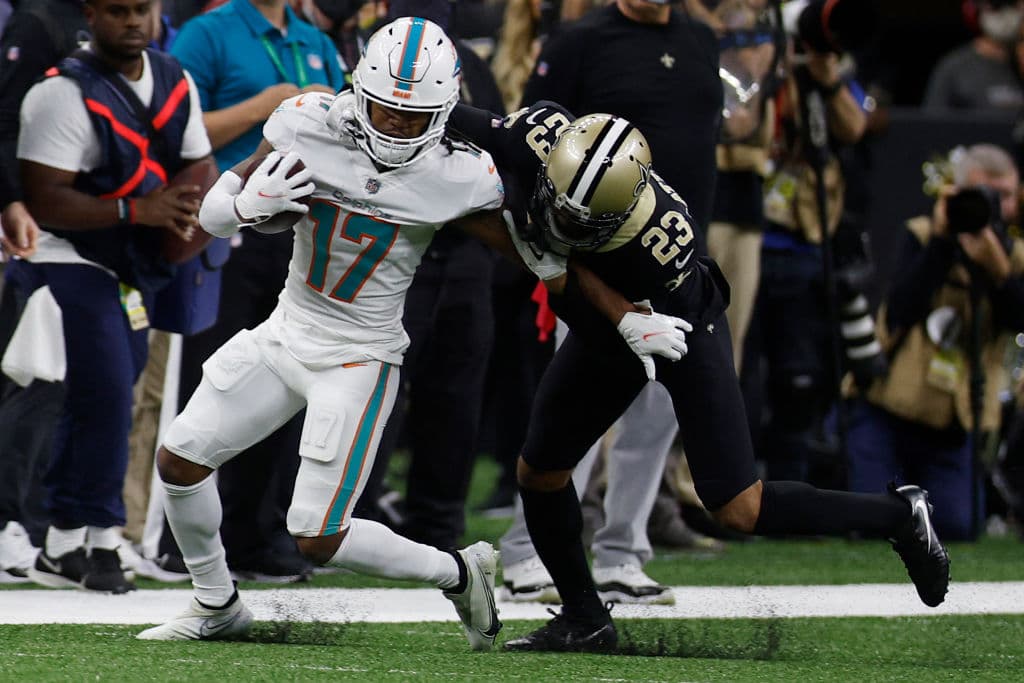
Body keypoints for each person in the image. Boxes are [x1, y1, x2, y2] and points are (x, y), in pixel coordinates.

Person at [452, 100, 951, 652]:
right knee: (540, 471)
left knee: (740, 504)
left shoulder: (659, 241)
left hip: (673, 327)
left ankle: (900, 514)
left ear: (620, 217)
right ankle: (584, 616)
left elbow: (580, 288)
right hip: (608, 330)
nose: (562, 223)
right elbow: (452, 115)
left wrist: (528, 246)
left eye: (582, 223)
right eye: (560, 207)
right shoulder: (536, 138)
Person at [136, 17, 510, 644]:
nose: (395, 124)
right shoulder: (308, 121)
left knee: (317, 535)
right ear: (359, 90)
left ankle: (459, 571)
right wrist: (248, 209)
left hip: (360, 356)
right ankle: (216, 604)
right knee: (179, 462)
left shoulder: (462, 174)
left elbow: (536, 254)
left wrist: (627, 309)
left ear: (445, 111)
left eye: (413, 116)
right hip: (287, 329)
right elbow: (213, 214)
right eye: (386, 108)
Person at [497, 0, 725, 603]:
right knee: (573, 413)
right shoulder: (579, 39)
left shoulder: (702, 38)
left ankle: (622, 553)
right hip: (599, 263)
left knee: (657, 413)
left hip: (674, 261)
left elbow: (705, 141)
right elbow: (533, 141)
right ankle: (526, 551)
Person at [13, 0, 212, 593]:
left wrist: (183, 208)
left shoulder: (174, 77)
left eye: (142, 10)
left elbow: (199, 161)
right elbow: (45, 197)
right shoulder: (59, 92)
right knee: (105, 393)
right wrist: (139, 208)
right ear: (92, 15)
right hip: (65, 254)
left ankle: (62, 537)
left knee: (111, 386)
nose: (133, 22)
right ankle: (103, 536)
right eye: (119, 11)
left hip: (133, 262)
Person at [166, 0, 347, 583]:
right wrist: (267, 106)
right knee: (214, 379)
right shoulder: (208, 32)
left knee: (287, 388)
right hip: (229, 228)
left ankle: (254, 533)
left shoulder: (311, 36)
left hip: (301, 236)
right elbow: (175, 129)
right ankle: (180, 539)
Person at [845, 144, 1024, 541]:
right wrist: (942, 245)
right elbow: (900, 309)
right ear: (954, 193)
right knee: (874, 520)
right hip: (889, 411)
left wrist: (999, 273)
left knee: (958, 526)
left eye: (1005, 195)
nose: (994, 206)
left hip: (954, 426)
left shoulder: (1014, 258)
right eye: (982, 195)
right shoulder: (921, 235)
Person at [0, 0, 90, 582]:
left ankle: (45, 524)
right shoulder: (41, 20)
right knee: (32, 377)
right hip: (36, 223)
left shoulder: (126, 21)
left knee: (60, 381)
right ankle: (10, 522)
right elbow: (7, 117)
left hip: (88, 222)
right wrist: (10, 199)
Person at [923, 0, 1024, 113]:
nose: (1005, 13)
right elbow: (934, 123)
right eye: (996, 6)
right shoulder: (955, 67)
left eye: (1013, 6)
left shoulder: (1019, 62)